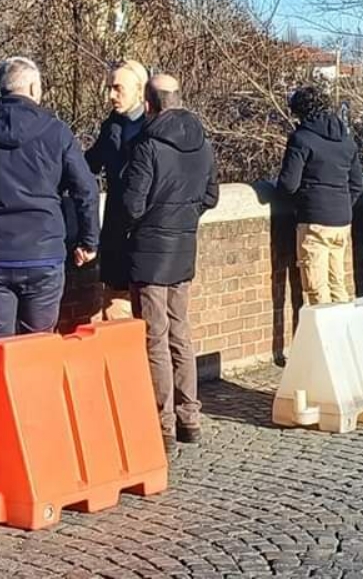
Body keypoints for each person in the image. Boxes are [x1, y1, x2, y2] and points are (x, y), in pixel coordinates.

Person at [0, 57, 99, 360]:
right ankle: (34, 408)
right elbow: (86, 190)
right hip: (43, 253)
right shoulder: (56, 132)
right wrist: (88, 241)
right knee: (39, 348)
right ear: (32, 87)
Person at [123, 74, 219, 446]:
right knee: (181, 333)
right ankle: (189, 417)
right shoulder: (202, 143)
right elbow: (211, 197)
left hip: (150, 252)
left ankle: (161, 424)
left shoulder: (148, 145)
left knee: (154, 338)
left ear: (148, 104)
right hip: (183, 247)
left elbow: (132, 204)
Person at [276, 85, 363, 305]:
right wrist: (342, 203)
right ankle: (343, 336)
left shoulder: (302, 139)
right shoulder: (346, 140)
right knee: (338, 285)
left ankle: (326, 339)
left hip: (314, 220)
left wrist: (303, 203)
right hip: (342, 222)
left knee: (317, 290)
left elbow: (288, 184)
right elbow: (357, 184)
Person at [85, 59, 149, 321]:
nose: (111, 95)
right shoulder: (111, 126)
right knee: (114, 312)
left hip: (145, 233)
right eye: (110, 88)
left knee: (150, 315)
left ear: (140, 90)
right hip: (115, 233)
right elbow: (89, 165)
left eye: (118, 88)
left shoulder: (154, 128)